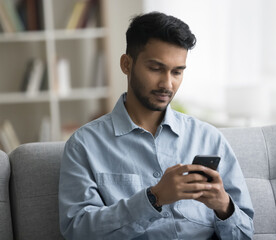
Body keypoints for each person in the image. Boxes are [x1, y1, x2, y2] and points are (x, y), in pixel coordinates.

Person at [59, 11, 254, 239]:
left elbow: (246, 234)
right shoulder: (83, 145)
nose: (167, 84)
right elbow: (78, 231)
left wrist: (224, 207)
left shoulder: (210, 138)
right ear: (126, 64)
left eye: (177, 72)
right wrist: (154, 198)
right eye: (156, 68)